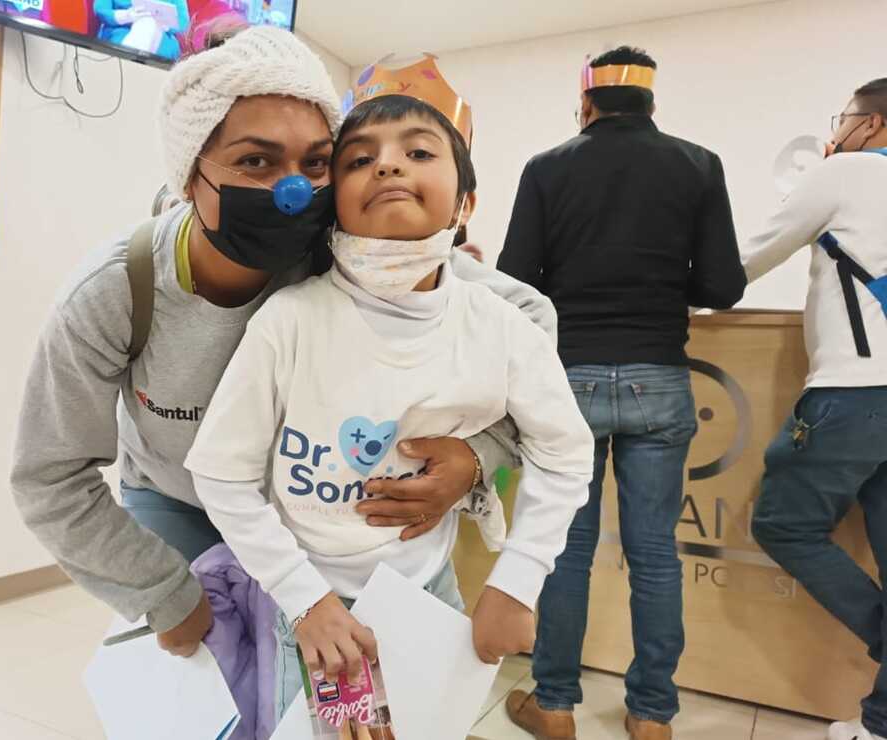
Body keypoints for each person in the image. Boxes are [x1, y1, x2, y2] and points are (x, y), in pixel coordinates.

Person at [11, 27, 556, 663]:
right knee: (215, 687)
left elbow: (527, 315)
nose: (294, 190)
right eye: (255, 162)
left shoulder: (342, 250)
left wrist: (475, 455)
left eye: (317, 163)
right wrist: (164, 593)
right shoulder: (116, 293)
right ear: (191, 177)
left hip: (306, 513)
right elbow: (48, 477)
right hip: (180, 501)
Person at [183, 55, 595, 721]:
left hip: (425, 593)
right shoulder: (290, 321)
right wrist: (305, 599)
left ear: (466, 203)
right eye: (359, 159)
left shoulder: (501, 327)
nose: (388, 165)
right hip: (309, 604)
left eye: (419, 151)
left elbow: (565, 450)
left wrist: (518, 580)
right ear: (332, 205)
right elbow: (222, 474)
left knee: (424, 727)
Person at [496, 46, 746, 740]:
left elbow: (516, 281)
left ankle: (553, 705)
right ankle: (652, 716)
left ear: (586, 103)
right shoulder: (698, 165)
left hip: (566, 380)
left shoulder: (547, 168)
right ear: (652, 104)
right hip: (660, 381)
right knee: (656, 553)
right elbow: (724, 286)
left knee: (564, 549)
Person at [744, 78, 887, 740]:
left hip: (853, 393)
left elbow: (743, 260)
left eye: (845, 118)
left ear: (873, 124)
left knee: (782, 524)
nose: (839, 130)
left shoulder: (848, 170)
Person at [95, 0, 190, 60]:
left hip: (163, 35)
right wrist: (126, 15)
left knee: (149, 23)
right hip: (121, 30)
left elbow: (183, 22)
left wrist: (165, 23)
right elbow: (101, 9)